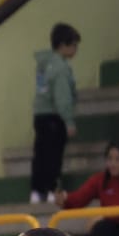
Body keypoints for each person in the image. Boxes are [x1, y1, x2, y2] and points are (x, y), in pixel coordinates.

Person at [29, 22, 79, 204]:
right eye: (73, 45)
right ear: (63, 45)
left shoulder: (44, 64)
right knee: (53, 156)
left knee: (40, 154)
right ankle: (50, 190)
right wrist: (69, 121)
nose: (75, 49)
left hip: (40, 115)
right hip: (54, 117)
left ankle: (36, 191)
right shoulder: (61, 68)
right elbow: (62, 97)